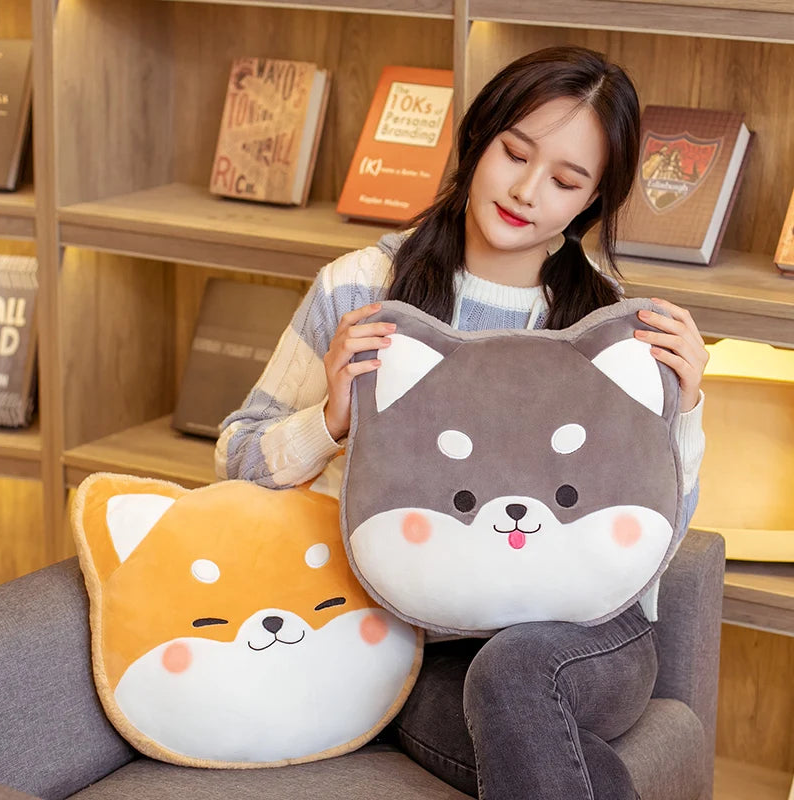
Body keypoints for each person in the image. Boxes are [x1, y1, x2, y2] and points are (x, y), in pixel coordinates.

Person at [216, 46, 708, 800]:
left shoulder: (609, 327)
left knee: (514, 669)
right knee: (540, 747)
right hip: (423, 642)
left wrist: (688, 408)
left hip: (589, 635)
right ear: (478, 138)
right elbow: (235, 459)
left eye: (566, 180)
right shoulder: (359, 290)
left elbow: (658, 535)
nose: (526, 189)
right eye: (515, 152)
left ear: (593, 201)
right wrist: (329, 420)